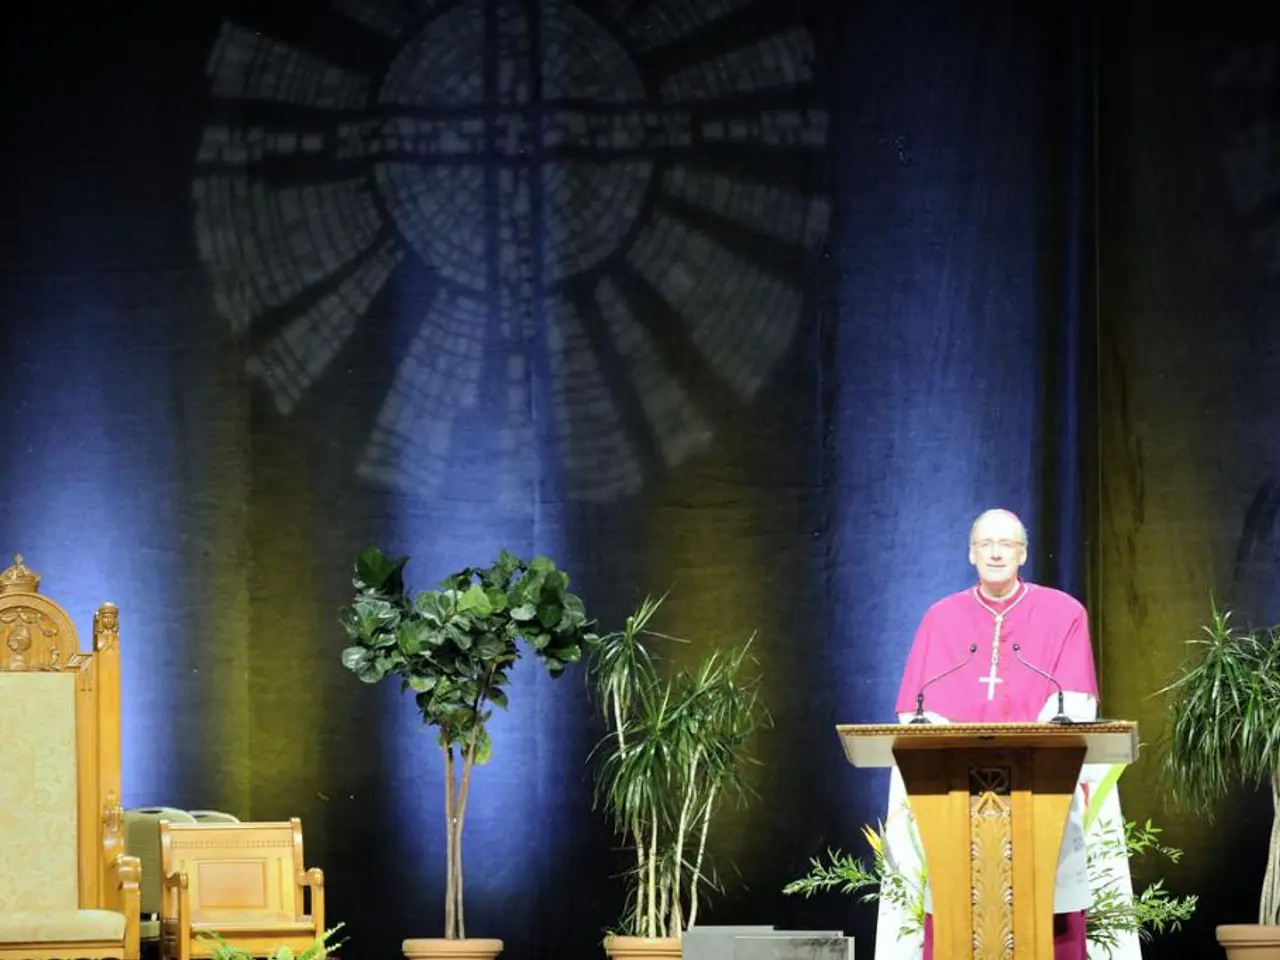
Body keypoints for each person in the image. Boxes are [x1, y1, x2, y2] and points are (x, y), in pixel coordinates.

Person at [873, 508, 1140, 960]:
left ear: (1023, 554)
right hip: (957, 801)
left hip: (1040, 793)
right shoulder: (941, 618)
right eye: (986, 544)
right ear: (971, 553)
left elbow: (1074, 706)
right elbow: (917, 714)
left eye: (1007, 544)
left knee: (1049, 901)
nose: (996, 553)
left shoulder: (1064, 613)